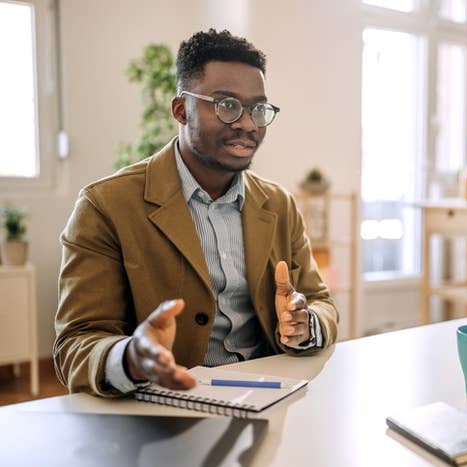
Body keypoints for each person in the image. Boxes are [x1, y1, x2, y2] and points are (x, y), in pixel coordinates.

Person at [53, 30, 339, 396]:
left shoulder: (279, 205)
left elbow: (322, 303)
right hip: (162, 412)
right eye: (227, 105)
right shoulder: (105, 206)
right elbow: (75, 344)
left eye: (258, 109)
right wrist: (131, 357)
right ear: (180, 110)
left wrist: (305, 322)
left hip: (268, 401)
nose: (248, 124)